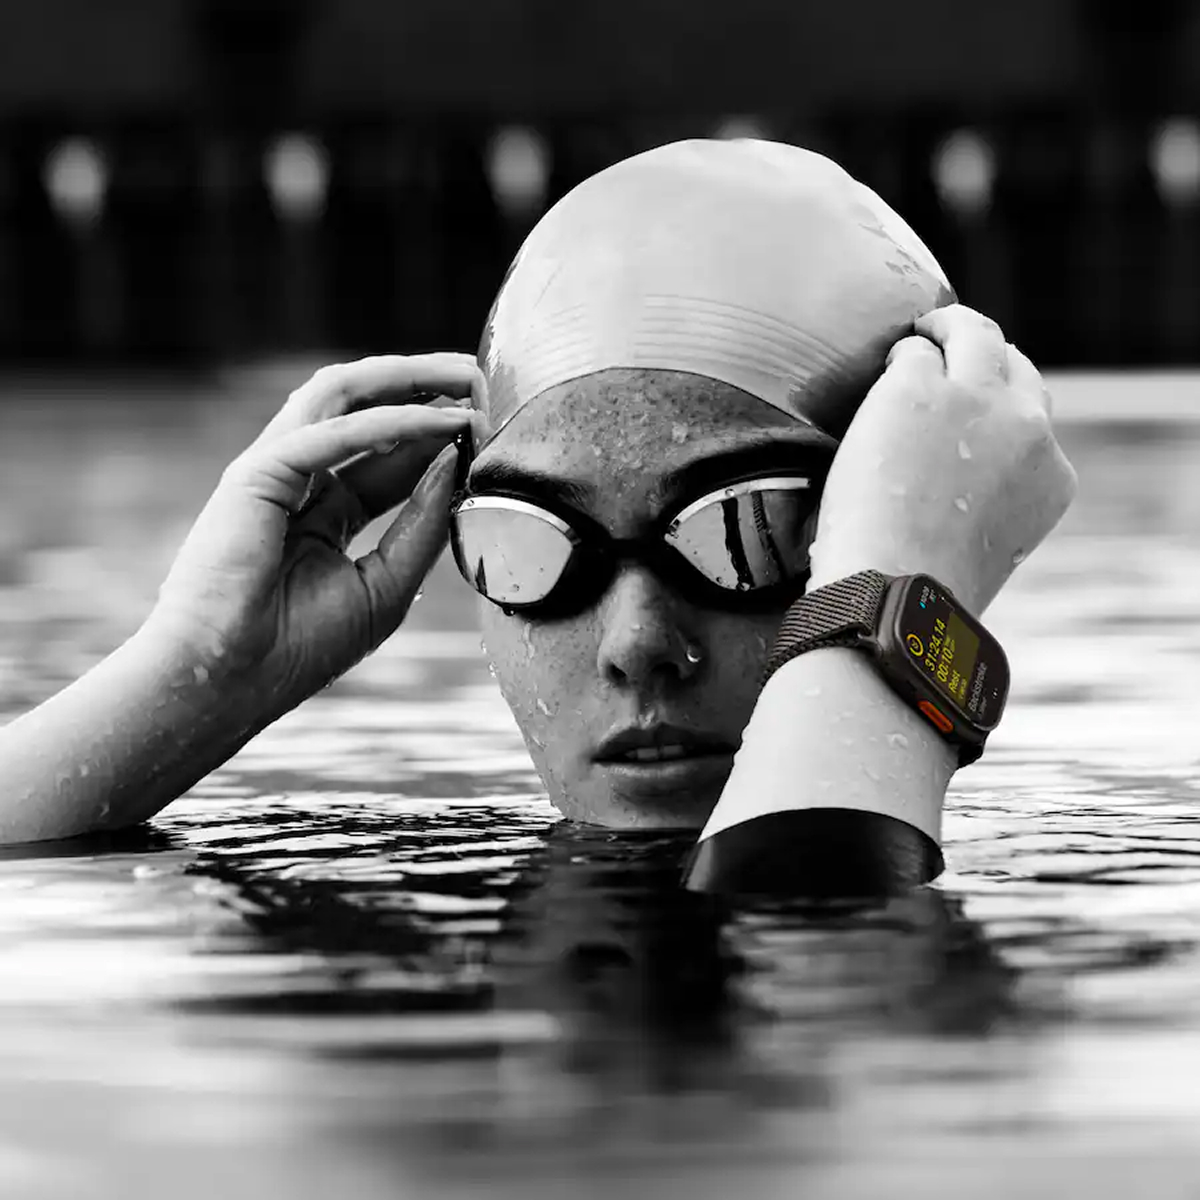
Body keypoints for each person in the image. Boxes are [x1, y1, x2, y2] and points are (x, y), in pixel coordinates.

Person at [0, 138, 1076, 848]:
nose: (637, 644)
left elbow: (826, 1008)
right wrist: (194, 679)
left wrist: (885, 615)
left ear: (895, 524)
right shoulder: (413, 921)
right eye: (536, 543)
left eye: (745, 529)